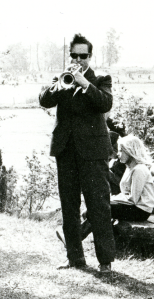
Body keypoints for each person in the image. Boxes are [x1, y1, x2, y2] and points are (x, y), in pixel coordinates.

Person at [39, 34, 116, 272]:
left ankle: (105, 261)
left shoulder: (101, 79)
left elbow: (105, 104)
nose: (78, 60)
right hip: (66, 150)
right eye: (74, 55)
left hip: (93, 152)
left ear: (90, 57)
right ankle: (74, 257)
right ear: (70, 56)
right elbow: (44, 100)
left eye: (83, 56)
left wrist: (84, 83)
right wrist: (59, 85)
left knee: (98, 205)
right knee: (68, 205)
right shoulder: (61, 78)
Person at [106, 135, 154, 223]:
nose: (118, 154)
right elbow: (126, 194)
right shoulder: (129, 168)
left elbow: (133, 199)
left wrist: (112, 200)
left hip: (140, 211)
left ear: (130, 151)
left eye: (121, 151)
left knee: (98, 209)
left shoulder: (139, 169)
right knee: (96, 208)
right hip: (133, 206)